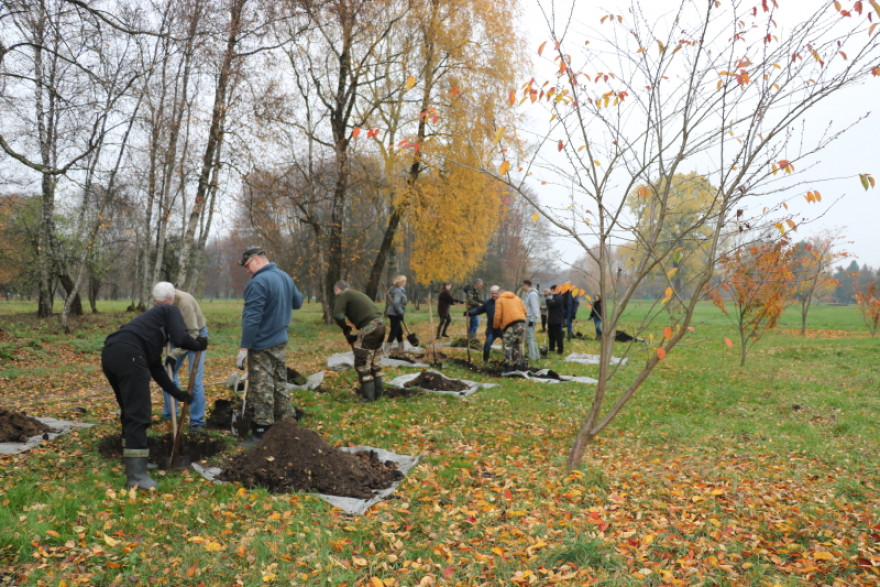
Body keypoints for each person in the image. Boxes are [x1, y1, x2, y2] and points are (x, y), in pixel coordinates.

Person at [101, 291, 208, 490]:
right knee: (139, 415)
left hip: (111, 354)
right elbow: (182, 338)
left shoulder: (147, 333)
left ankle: (132, 461)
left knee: (129, 411)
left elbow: (157, 371)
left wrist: (179, 395)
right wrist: (198, 343)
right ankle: (137, 477)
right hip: (130, 357)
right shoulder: (170, 309)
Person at [237, 247, 303, 447]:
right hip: (280, 340)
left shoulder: (258, 283)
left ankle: (261, 432)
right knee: (279, 380)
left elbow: (252, 318)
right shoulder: (284, 277)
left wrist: (244, 348)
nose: (248, 271)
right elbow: (298, 302)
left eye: (248, 265)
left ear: (256, 260)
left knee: (261, 386)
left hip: (262, 343)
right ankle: (287, 421)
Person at [159, 284, 208, 434]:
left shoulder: (185, 302)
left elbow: (191, 337)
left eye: (164, 304)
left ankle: (197, 421)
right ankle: (170, 413)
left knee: (194, 381)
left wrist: (174, 354)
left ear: (171, 297)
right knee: (167, 374)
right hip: (175, 337)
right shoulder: (162, 301)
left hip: (196, 338)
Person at [333, 281, 386, 402]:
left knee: (362, 363)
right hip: (381, 326)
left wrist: (345, 327)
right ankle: (379, 395)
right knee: (374, 362)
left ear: (338, 290)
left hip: (369, 328)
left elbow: (338, 315)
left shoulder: (343, 295)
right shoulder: (357, 294)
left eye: (335, 293)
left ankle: (368, 398)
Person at [494, 288, 528, 372]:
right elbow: (525, 311)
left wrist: (495, 326)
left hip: (510, 325)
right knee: (518, 345)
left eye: (497, 294)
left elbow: (497, 315)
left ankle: (508, 366)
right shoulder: (517, 298)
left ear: (500, 293)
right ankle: (518, 365)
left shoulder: (499, 300)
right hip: (522, 324)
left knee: (508, 345)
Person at [467, 285, 501, 362]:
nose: (494, 295)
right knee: (487, 344)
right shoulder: (488, 303)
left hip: (502, 328)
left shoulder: (503, 302)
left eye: (495, 293)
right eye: (492, 293)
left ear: (498, 293)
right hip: (491, 328)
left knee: (507, 345)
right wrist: (470, 313)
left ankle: (508, 361)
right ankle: (485, 361)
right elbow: (479, 310)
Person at [385, 275, 408, 352]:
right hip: (395, 314)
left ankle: (401, 348)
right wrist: (401, 313)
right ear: (401, 282)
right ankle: (386, 349)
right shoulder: (398, 291)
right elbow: (396, 304)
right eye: (404, 281)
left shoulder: (398, 289)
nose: (406, 283)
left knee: (399, 331)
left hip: (395, 313)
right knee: (394, 331)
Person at [521, 280, 541, 362]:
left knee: (529, 338)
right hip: (529, 318)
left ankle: (532, 357)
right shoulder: (529, 294)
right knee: (532, 338)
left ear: (526, 285)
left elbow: (535, 308)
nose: (522, 287)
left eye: (523, 285)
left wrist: (532, 320)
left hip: (530, 318)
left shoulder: (532, 294)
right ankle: (536, 356)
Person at [544, 285, 566, 355]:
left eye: (552, 290)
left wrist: (547, 299)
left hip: (556, 319)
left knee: (558, 336)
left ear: (555, 290)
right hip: (551, 319)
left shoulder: (559, 297)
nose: (551, 292)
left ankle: (560, 350)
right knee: (551, 335)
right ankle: (551, 348)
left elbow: (551, 304)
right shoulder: (554, 297)